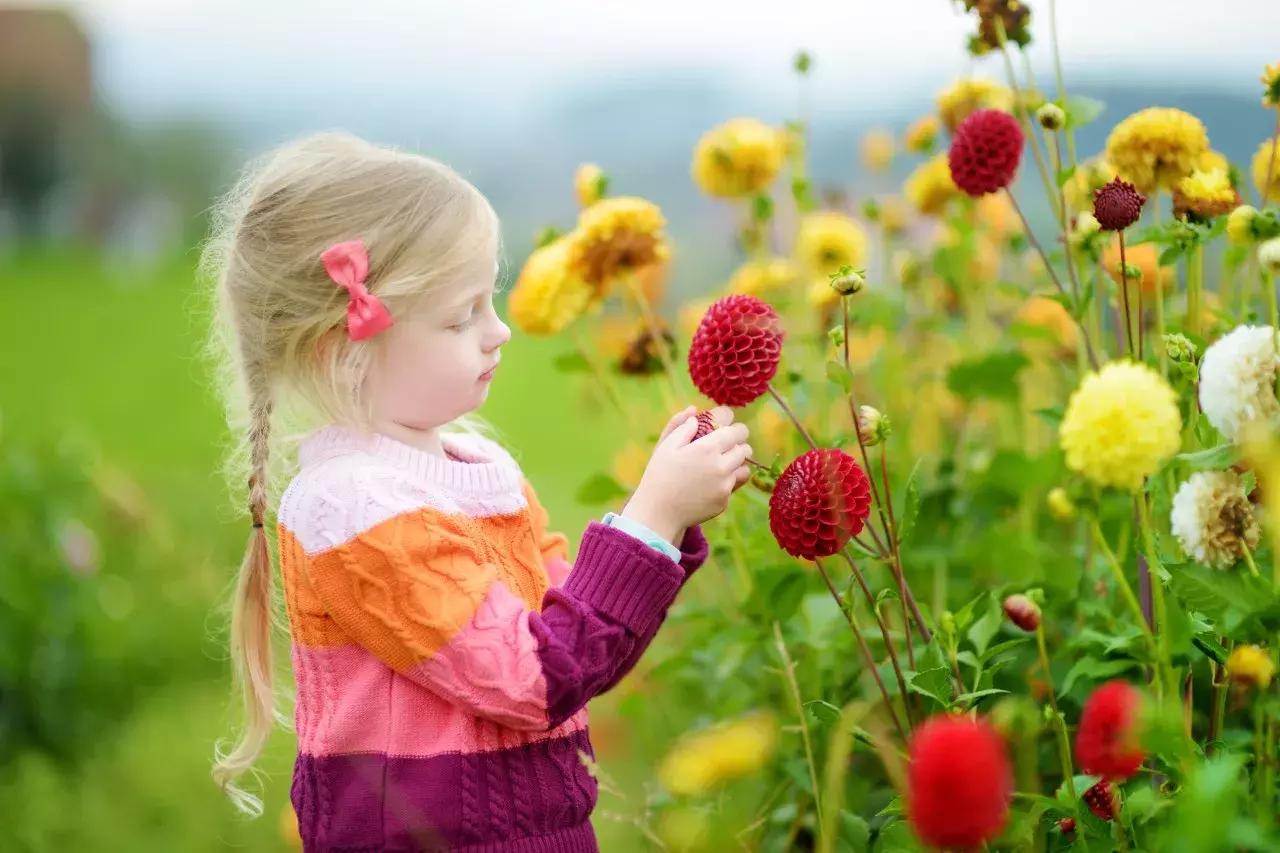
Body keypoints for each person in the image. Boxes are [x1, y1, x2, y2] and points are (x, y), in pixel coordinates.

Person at [199, 131, 752, 851]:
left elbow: (581, 649)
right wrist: (653, 516)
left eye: (489, 299)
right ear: (344, 349)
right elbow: (535, 676)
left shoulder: (479, 470)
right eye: (461, 316)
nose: (500, 332)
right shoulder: (355, 508)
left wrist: (666, 525)